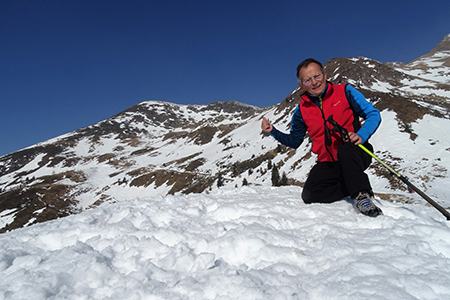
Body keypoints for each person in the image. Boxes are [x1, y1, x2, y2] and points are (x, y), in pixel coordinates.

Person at [261, 58, 382, 217]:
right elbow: (295, 141)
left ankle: (361, 195)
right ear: (301, 85)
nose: (314, 82)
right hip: (329, 162)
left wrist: (361, 135)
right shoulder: (301, 110)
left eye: (317, 76)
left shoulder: (345, 91)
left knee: (345, 149)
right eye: (307, 80)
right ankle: (351, 183)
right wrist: (273, 131)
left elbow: (373, 114)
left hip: (356, 152)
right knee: (310, 195)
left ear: (325, 75)